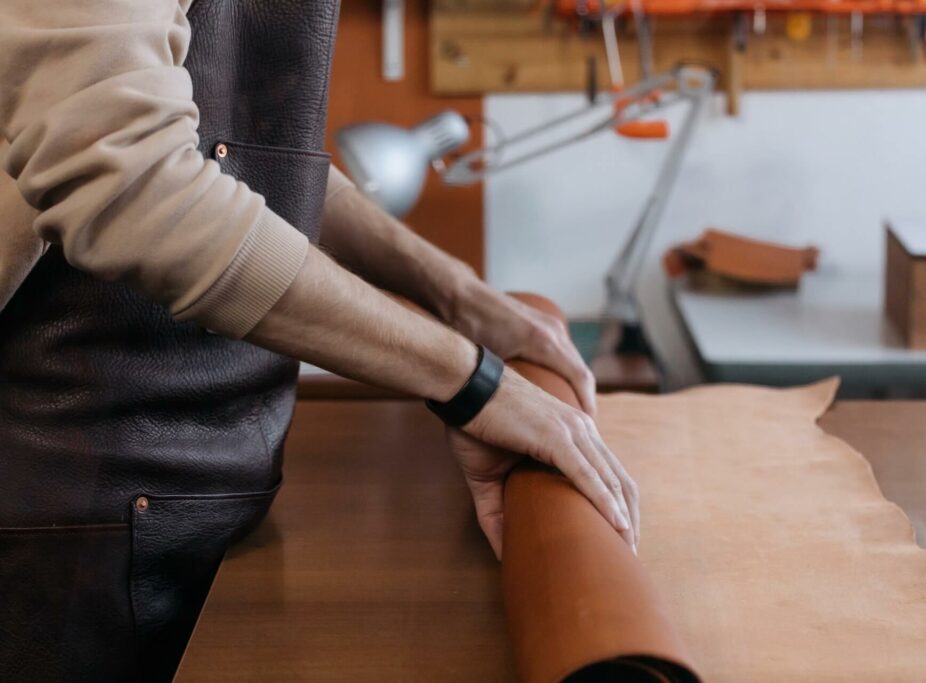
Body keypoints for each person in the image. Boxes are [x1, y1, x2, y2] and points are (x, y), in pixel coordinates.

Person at [0, 0, 639, 680]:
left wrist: (457, 294)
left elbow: (229, 153)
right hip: (58, 522)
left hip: (190, 507)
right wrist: (470, 381)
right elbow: (130, 181)